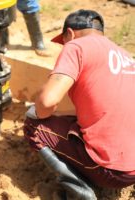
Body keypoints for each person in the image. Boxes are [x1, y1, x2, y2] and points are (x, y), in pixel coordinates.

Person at [23, 9, 135, 199]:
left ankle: (80, 189)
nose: (64, 46)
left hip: (110, 170)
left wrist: (38, 109)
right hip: (132, 169)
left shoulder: (76, 46)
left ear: (70, 34)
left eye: (64, 41)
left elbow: (47, 102)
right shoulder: (126, 56)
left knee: (33, 125)